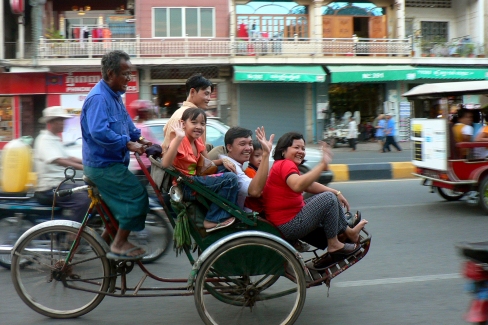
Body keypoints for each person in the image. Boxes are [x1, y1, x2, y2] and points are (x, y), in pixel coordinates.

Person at [81, 50, 151, 260]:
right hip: (102, 166)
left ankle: (105, 247)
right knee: (137, 196)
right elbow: (99, 132)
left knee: (114, 213)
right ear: (111, 74)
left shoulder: (115, 97)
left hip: (112, 163)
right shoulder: (99, 98)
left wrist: (140, 140)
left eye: (130, 74)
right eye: (125, 74)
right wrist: (127, 143)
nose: (129, 79)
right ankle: (119, 244)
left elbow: (127, 124)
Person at [262, 132, 368, 261]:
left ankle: (347, 231)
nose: (301, 151)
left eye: (303, 148)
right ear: (283, 151)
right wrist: (322, 165)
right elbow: (298, 185)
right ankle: (334, 244)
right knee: (328, 199)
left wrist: (336, 192)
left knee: (330, 196)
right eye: (296, 147)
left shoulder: (282, 165)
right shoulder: (285, 164)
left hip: (287, 220)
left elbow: (309, 185)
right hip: (290, 225)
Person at [161, 108, 239, 232]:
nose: (199, 127)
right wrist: (179, 137)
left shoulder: (197, 141)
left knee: (229, 170)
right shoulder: (179, 140)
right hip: (186, 185)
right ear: (183, 124)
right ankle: (213, 219)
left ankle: (227, 208)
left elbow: (208, 164)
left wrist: (224, 161)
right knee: (231, 179)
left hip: (195, 180)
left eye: (202, 124)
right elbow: (165, 164)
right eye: (194, 122)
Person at [33, 106, 91, 221]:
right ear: (51, 122)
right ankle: (73, 234)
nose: (63, 123)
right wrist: (85, 168)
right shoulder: (44, 140)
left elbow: (69, 158)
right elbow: (60, 161)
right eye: (60, 120)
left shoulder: (54, 139)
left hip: (60, 185)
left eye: (63, 120)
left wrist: (90, 163)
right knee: (84, 200)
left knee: (92, 192)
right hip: (49, 189)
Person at [162, 74, 213, 153]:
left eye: (210, 95)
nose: (209, 98)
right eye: (206, 94)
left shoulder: (177, 112)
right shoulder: (195, 116)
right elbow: (200, 153)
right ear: (192, 92)